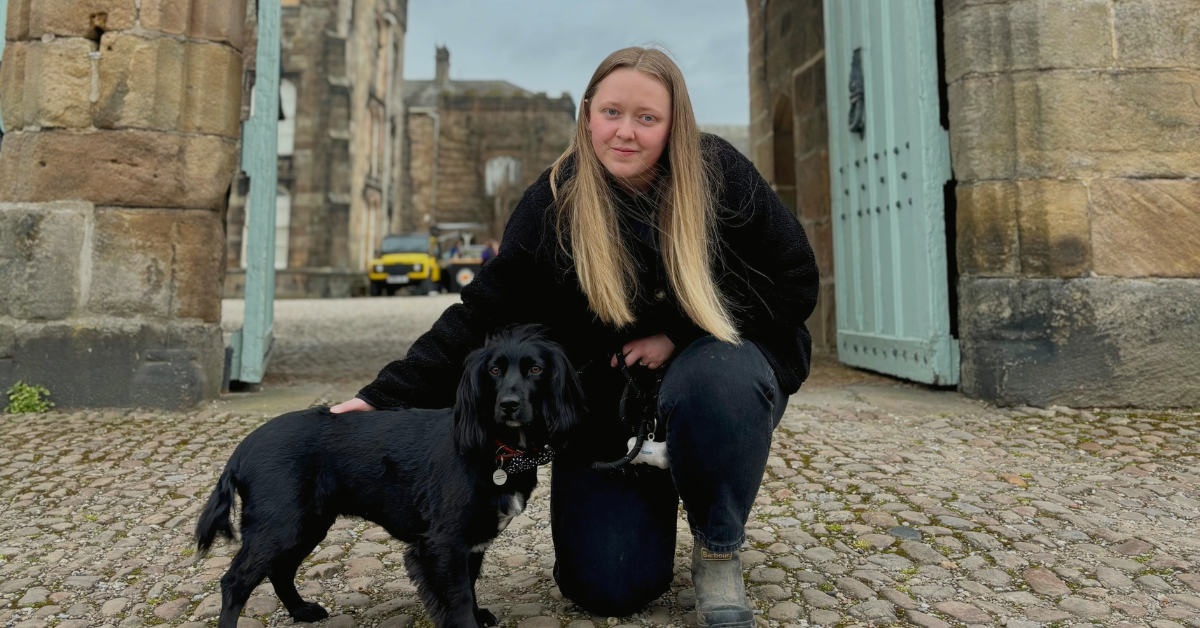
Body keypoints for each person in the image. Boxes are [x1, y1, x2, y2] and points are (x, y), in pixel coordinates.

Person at [332, 47, 818, 624]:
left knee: (714, 382)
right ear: (587, 113)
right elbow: (482, 312)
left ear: (674, 123)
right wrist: (385, 396)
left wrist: (679, 332)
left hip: (716, 370)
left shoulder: (720, 176)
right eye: (612, 112)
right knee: (608, 586)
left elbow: (795, 281)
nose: (625, 133)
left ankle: (717, 545)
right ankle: (653, 482)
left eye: (647, 118)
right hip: (611, 409)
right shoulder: (553, 201)